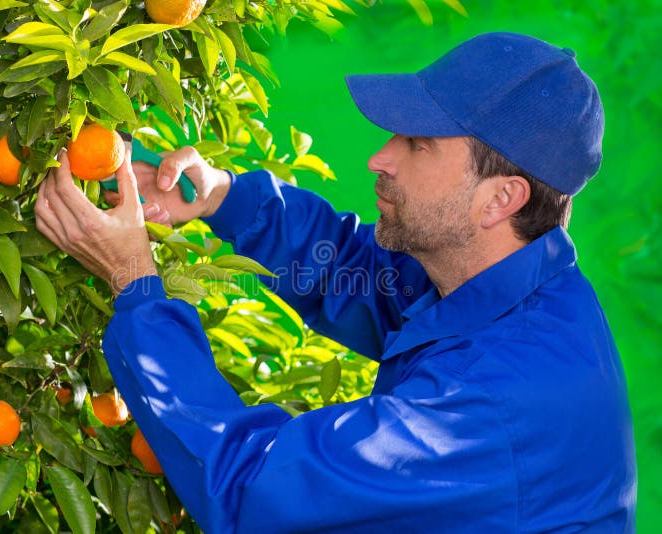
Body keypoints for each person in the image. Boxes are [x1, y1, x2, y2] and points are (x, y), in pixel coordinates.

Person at [35, 32, 637, 532]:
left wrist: (134, 280)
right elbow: (354, 274)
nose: (380, 157)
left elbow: (250, 488)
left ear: (501, 198)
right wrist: (221, 197)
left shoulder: (494, 402)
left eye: (418, 144)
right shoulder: (501, 286)